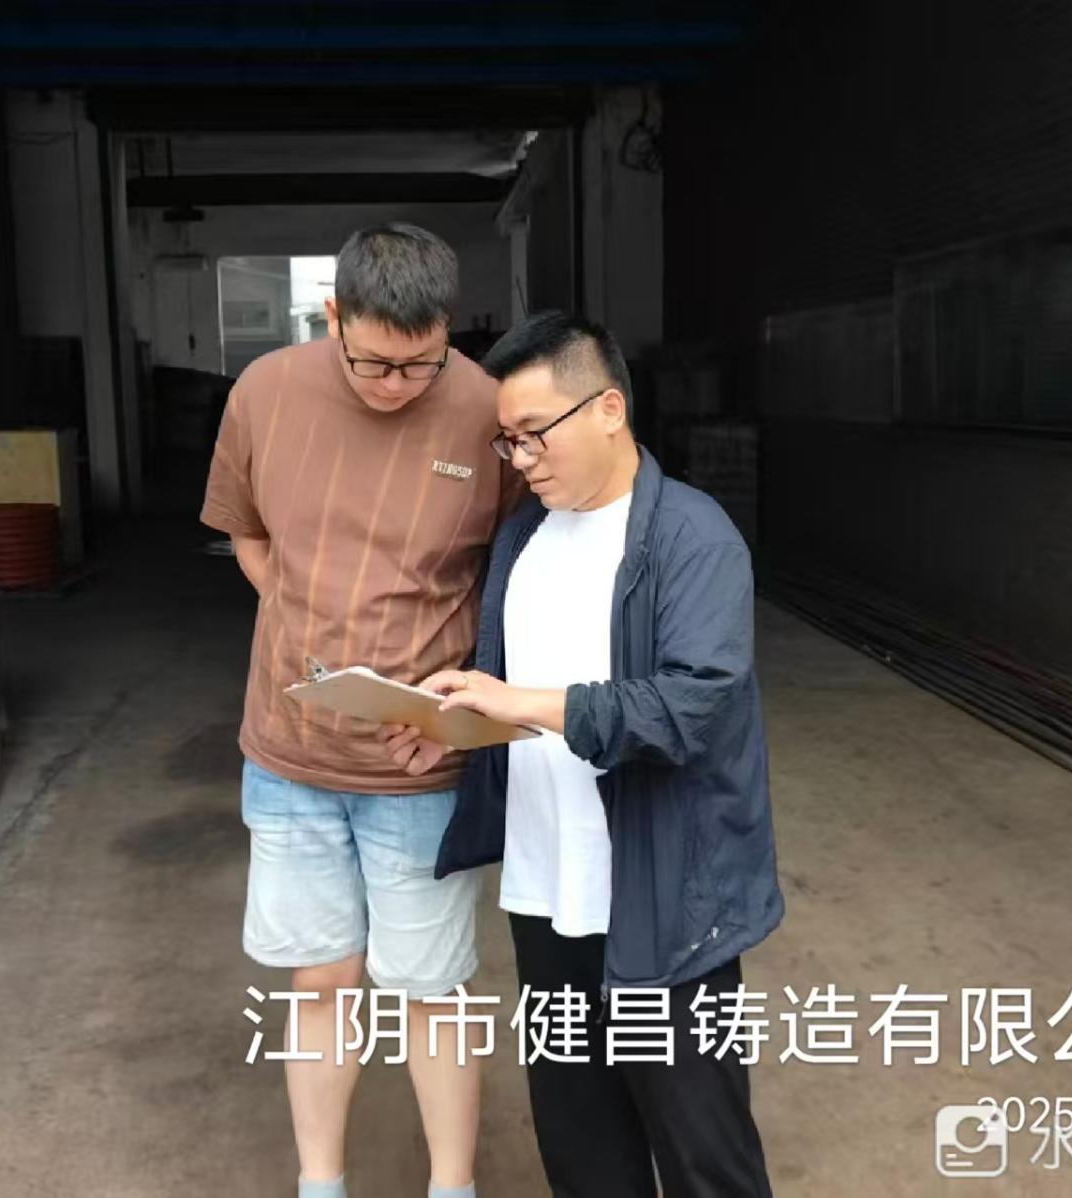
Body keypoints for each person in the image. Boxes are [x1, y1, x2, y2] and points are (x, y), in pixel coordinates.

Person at [383, 312, 783, 1198]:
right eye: (508, 441)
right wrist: (452, 729)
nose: (521, 459)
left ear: (608, 408)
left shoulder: (692, 538)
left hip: (664, 901)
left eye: (535, 433)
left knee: (704, 1156)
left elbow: (688, 708)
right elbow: (512, 700)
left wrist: (518, 701)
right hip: (544, 893)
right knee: (582, 1153)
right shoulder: (523, 537)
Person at [202, 223, 517, 1198]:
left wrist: (459, 702)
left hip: (417, 766)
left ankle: (452, 1185)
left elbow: (515, 579)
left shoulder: (488, 410)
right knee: (321, 980)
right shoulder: (264, 393)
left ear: (448, 331)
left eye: (420, 365)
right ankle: (320, 1182)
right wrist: (302, 618)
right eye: (373, 362)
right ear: (332, 315)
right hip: (290, 753)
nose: (395, 386)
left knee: (430, 987)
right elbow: (249, 536)